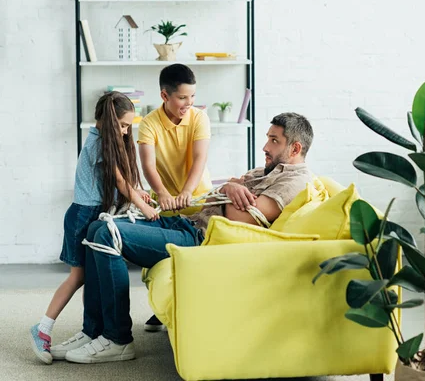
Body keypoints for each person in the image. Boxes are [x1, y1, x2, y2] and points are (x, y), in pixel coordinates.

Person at [56, 113, 314, 363]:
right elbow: (224, 196)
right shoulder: (266, 170)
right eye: (268, 138)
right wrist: (229, 187)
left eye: (274, 141)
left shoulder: (295, 181)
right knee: (94, 229)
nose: (265, 146)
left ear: (295, 148)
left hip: (200, 241)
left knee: (107, 234)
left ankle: (118, 339)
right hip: (188, 223)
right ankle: (92, 330)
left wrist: (232, 187)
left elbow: (243, 218)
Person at [29, 92, 157, 364]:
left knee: (92, 276)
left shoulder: (102, 140)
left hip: (92, 214)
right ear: (109, 121)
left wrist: (138, 194)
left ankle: (93, 331)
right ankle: (42, 329)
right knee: (78, 277)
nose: (125, 132)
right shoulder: (98, 145)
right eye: (123, 126)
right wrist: (144, 208)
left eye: (128, 127)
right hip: (82, 216)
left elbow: (119, 183)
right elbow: (121, 183)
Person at [138, 63, 211, 216]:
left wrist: (187, 191)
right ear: (165, 96)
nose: (189, 102)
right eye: (182, 97)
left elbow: (200, 158)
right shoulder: (148, 123)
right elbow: (148, 165)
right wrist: (162, 193)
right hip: (165, 203)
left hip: (198, 200)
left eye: (192, 95)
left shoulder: (199, 118)